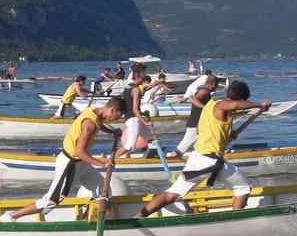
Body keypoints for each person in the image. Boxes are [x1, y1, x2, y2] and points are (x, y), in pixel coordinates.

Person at [135, 81, 271, 218]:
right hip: (210, 162)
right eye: (244, 101)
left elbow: (201, 131)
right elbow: (234, 105)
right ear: (241, 99)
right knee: (243, 188)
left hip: (197, 157)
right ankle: (235, 221)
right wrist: (259, 104)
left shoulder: (209, 106)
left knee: (172, 193)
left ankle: (139, 216)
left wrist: (228, 136)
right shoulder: (222, 105)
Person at [1, 97, 126, 222]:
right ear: (112, 110)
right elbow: (80, 151)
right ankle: (10, 216)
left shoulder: (92, 110)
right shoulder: (90, 125)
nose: (116, 120)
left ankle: (87, 221)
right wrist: (103, 164)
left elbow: (98, 123)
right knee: (50, 201)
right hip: (70, 164)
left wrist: (111, 131)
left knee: (103, 189)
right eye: (116, 117)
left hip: (81, 163)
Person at [167, 74, 219, 157]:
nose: (216, 88)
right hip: (195, 123)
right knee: (185, 144)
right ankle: (173, 157)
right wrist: (205, 108)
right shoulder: (204, 91)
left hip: (200, 123)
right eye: (216, 85)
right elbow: (194, 100)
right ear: (213, 84)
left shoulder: (205, 91)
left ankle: (212, 152)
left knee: (211, 136)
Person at [115, 69, 152, 158]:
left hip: (132, 117)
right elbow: (135, 110)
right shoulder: (136, 90)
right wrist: (145, 121)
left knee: (150, 138)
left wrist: (142, 114)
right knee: (130, 145)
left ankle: (154, 155)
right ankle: (114, 158)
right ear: (138, 78)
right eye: (143, 77)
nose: (144, 79)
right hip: (134, 119)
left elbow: (129, 104)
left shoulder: (128, 86)